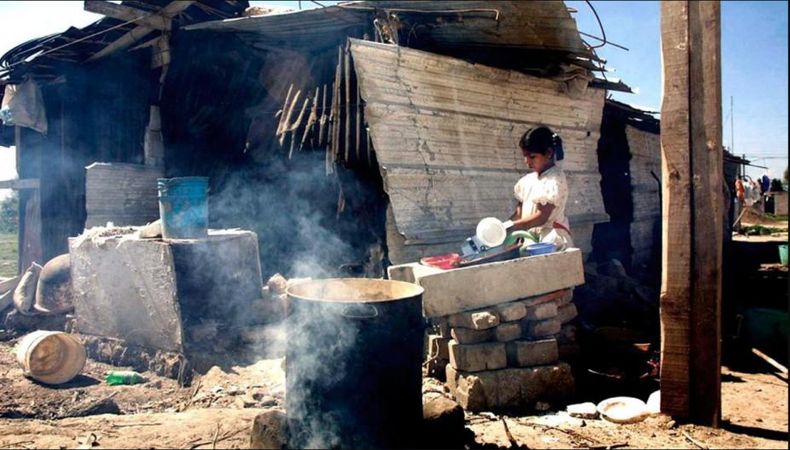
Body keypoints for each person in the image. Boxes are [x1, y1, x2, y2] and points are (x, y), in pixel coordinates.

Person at [506, 126, 573, 250]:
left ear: (548, 153)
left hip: (550, 241)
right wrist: (503, 227)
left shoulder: (554, 179)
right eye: (524, 156)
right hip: (529, 239)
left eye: (532, 157)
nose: (527, 161)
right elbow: (519, 214)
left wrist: (513, 227)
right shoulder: (526, 181)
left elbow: (541, 217)